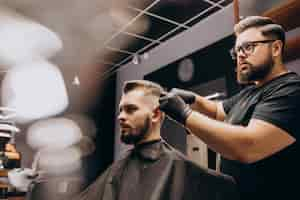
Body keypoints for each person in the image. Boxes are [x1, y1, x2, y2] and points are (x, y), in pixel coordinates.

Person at [159, 16, 300, 200]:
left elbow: (249, 146)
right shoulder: (250, 92)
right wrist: (193, 99)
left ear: (275, 48)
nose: (240, 55)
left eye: (248, 47)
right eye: (237, 50)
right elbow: (218, 110)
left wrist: (184, 114)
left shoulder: (291, 90)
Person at [71, 80, 238, 200]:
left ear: (156, 114)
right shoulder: (119, 167)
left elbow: (225, 187)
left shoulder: (178, 168)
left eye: (131, 109)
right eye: (121, 110)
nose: (120, 116)